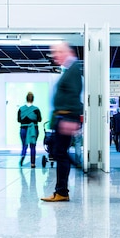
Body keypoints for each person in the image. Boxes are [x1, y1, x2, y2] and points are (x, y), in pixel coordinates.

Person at [41, 42, 83, 202]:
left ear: (68, 52)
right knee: (60, 152)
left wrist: (71, 118)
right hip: (63, 118)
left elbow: (74, 94)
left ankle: (62, 192)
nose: (55, 55)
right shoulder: (70, 69)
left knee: (60, 153)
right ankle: (62, 190)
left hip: (66, 118)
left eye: (58, 52)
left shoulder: (73, 70)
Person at [17, 92, 42, 168]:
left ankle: (23, 156)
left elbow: (18, 120)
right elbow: (39, 119)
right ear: (33, 99)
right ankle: (33, 163)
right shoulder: (36, 109)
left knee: (24, 144)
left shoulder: (21, 109)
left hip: (23, 129)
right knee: (33, 146)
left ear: (26, 99)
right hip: (33, 129)